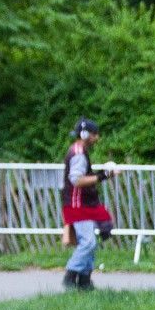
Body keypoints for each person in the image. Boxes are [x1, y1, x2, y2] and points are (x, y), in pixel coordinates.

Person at [60, 118, 113, 291]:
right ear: (85, 134)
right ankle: (71, 275)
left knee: (91, 241)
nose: (97, 138)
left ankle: (84, 280)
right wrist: (103, 175)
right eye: (94, 134)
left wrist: (104, 174)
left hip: (83, 203)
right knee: (88, 243)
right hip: (77, 205)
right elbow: (76, 180)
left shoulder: (79, 150)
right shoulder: (78, 154)